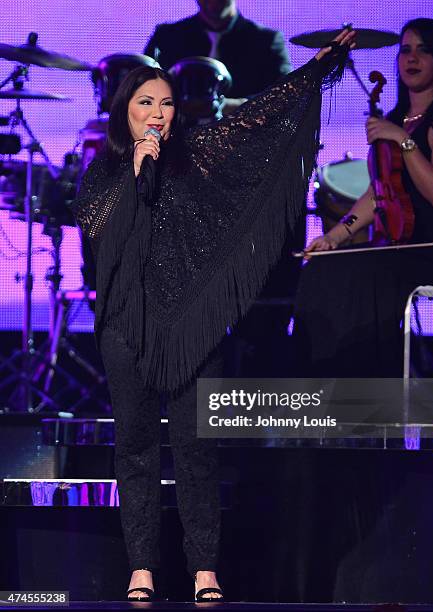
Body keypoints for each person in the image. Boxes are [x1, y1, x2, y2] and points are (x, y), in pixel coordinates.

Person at [72, 29, 355, 602]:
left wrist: (316, 70)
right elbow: (112, 246)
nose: (157, 114)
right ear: (123, 110)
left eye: (167, 102)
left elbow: (258, 123)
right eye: (144, 103)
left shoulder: (196, 161)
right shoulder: (99, 176)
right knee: (135, 447)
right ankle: (141, 568)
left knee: (197, 448)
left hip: (192, 328)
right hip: (128, 330)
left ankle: (204, 569)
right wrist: (136, 173)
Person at [295, 18, 433, 378]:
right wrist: (335, 236)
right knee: (321, 269)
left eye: (424, 50)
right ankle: (321, 384)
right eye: (406, 50)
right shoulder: (394, 118)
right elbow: (379, 193)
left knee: (366, 274)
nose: (412, 58)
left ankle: (374, 393)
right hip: (396, 247)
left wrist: (402, 140)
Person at [143, 0, 292, 114]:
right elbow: (140, 89)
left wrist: (237, 105)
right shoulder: (167, 37)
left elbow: (286, 95)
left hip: (245, 142)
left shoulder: (266, 41)